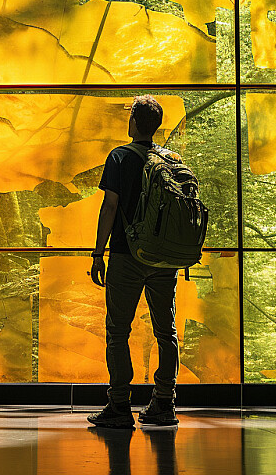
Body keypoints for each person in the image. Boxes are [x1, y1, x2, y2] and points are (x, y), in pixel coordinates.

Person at [87, 95, 179, 429]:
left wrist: (99, 253)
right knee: (165, 331)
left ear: (134, 122)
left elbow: (110, 207)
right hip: (165, 259)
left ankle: (119, 406)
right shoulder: (170, 159)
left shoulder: (120, 157)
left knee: (118, 331)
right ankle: (164, 404)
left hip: (127, 256)